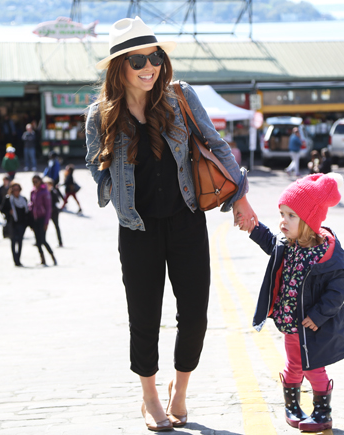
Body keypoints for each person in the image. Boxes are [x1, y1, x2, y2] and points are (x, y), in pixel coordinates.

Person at [86, 17, 257, 431]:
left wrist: (240, 196)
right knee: (144, 316)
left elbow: (216, 144)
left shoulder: (180, 97)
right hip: (138, 230)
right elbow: (97, 168)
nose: (150, 67)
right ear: (119, 67)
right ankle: (149, 396)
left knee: (194, 314)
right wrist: (117, 188)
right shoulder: (100, 115)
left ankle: (179, 391)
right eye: (139, 60)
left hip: (186, 222)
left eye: (156, 57)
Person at [247, 173, 344, 432]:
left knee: (314, 368)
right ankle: (292, 406)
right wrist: (254, 228)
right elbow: (271, 244)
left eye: (291, 216)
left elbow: (336, 291)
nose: (283, 221)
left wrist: (318, 315)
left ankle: (322, 412)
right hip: (290, 324)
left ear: (308, 221)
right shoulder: (289, 244)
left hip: (311, 326)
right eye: (282, 214)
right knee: (293, 365)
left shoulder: (326, 255)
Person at [1, 181, 30, 266]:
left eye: (17, 189)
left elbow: (27, 212)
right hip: (12, 224)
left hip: (21, 224)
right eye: (14, 190)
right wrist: (8, 212)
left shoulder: (23, 199)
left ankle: (18, 258)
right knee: (13, 241)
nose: (16, 191)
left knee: (20, 241)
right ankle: (15, 260)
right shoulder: (8, 199)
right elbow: (2, 209)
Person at [29, 174, 56, 266]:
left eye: (36, 181)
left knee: (43, 240)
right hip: (35, 218)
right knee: (37, 240)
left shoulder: (44, 192)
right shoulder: (33, 191)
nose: (35, 183)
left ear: (40, 181)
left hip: (42, 218)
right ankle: (42, 259)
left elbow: (48, 208)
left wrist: (46, 222)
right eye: (33, 182)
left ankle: (52, 256)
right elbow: (31, 204)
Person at [45, 177, 64, 247]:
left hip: (54, 212)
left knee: (56, 226)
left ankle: (60, 242)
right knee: (44, 226)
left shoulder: (53, 192)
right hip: (47, 212)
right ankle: (41, 240)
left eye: (48, 185)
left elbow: (57, 201)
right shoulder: (44, 193)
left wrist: (52, 208)